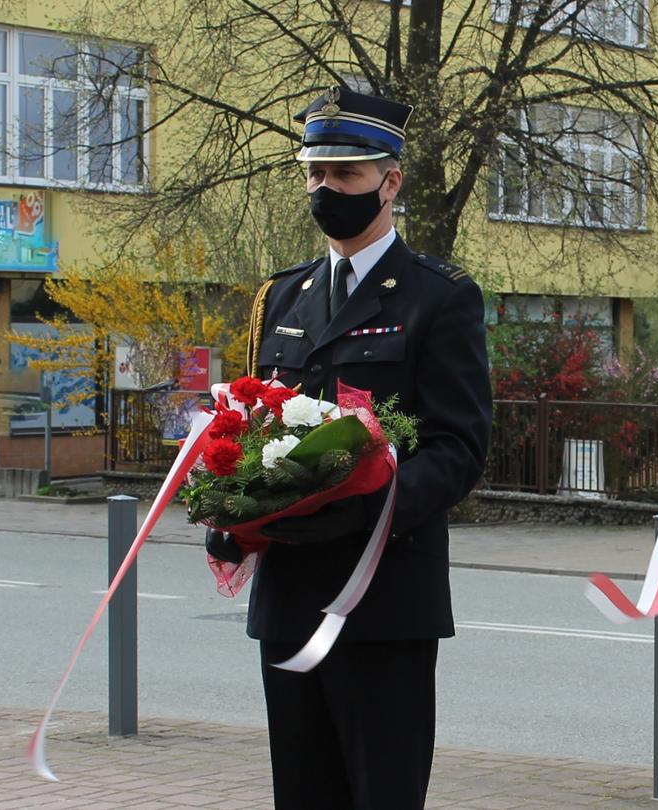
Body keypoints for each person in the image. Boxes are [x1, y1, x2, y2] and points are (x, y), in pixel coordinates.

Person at [204, 86, 493, 810]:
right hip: (290, 595)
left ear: (389, 183)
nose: (325, 189)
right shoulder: (281, 297)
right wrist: (233, 511)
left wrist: (370, 507)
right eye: (315, 173)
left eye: (345, 174)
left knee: (382, 794)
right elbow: (251, 427)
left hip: (384, 598)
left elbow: (458, 448)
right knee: (303, 794)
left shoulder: (439, 296)